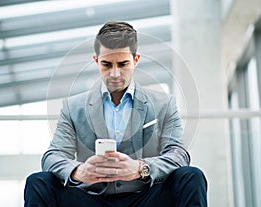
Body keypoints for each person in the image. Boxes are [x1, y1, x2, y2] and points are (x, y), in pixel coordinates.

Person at [24, 21, 207, 207]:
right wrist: (78, 171)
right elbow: (53, 155)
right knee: (38, 182)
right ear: (96, 60)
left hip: (145, 197)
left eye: (123, 64)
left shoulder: (164, 104)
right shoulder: (73, 107)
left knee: (191, 177)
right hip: (91, 199)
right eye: (106, 64)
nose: (114, 73)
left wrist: (140, 168)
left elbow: (178, 154)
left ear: (135, 60)